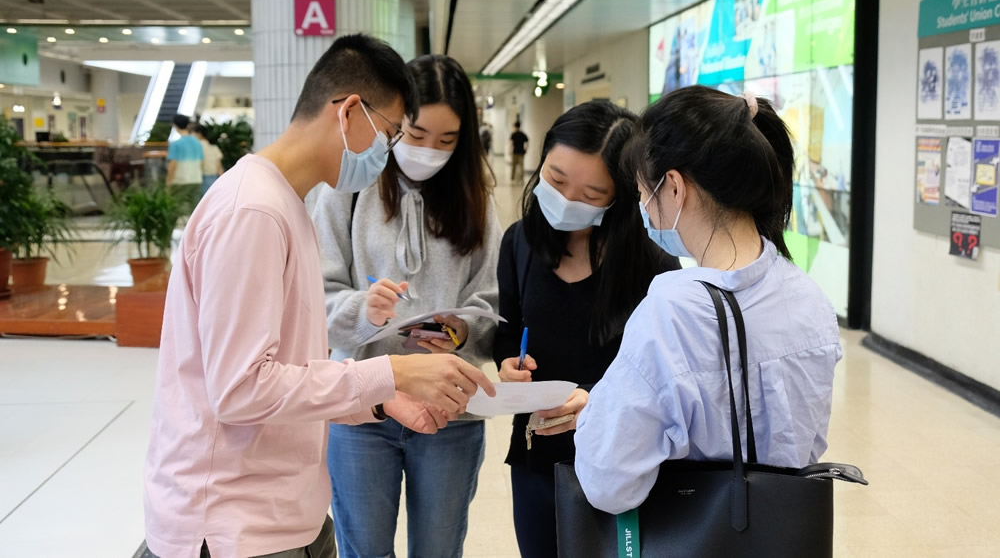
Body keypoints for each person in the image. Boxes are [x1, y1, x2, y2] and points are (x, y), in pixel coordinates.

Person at [142, 35, 495, 558]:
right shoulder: (252, 213)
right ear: (349, 112)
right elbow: (240, 390)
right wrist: (392, 373)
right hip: (235, 524)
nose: (390, 153)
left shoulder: (284, 204)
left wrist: (380, 399)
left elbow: (291, 368)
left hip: (281, 512)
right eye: (391, 134)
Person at [573, 86, 842, 514]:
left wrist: (596, 415)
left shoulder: (671, 312)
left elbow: (608, 483)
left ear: (674, 188)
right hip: (780, 529)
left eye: (643, 192)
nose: (643, 207)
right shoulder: (809, 298)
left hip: (698, 533)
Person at [309, 54, 502, 558]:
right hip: (362, 407)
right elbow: (314, 299)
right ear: (394, 122)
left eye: (446, 140)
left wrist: (462, 331)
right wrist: (363, 309)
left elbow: (492, 298)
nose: (428, 151)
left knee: (439, 548)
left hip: (450, 409)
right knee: (364, 548)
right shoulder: (348, 189)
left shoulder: (476, 201)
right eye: (416, 134)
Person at [492, 101, 679, 557]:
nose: (567, 201)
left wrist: (595, 397)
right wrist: (508, 364)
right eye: (556, 181)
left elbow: (669, 371)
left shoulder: (652, 261)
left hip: (621, 460)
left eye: (591, 194)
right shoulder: (520, 242)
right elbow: (507, 330)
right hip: (536, 454)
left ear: (620, 195)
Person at [166, 113, 203, 210]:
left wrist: (168, 182)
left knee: (177, 209)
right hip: (196, 179)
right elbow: (201, 163)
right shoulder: (198, 143)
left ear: (175, 125)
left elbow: (173, 164)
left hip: (180, 181)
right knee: (194, 210)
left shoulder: (175, 144)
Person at [192, 123, 225, 198]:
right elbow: (219, 166)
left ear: (199, 134)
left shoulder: (197, 145)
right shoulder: (214, 146)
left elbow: (199, 164)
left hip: (201, 177)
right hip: (214, 178)